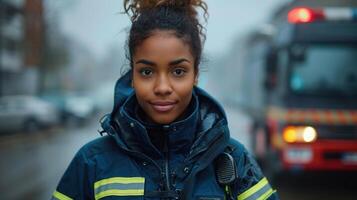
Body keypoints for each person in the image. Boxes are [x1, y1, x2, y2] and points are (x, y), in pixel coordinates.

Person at [51, 0, 279, 199]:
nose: (162, 87)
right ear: (132, 76)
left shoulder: (233, 160)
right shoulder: (92, 162)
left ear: (196, 75)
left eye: (178, 71)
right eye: (147, 72)